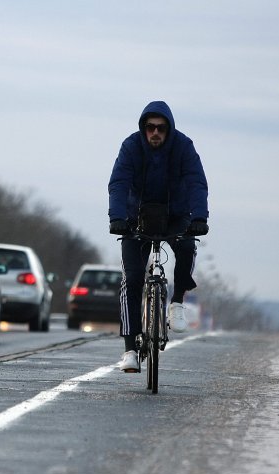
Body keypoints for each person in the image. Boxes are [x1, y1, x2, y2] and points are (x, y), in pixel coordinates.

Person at [108, 101, 209, 372]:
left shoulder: (183, 147)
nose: (155, 133)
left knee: (188, 246)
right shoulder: (131, 146)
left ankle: (176, 303)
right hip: (135, 217)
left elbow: (196, 181)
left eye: (161, 128)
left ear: (169, 129)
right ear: (143, 129)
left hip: (175, 216)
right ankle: (130, 348)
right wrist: (116, 217)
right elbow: (119, 182)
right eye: (150, 128)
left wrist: (200, 217)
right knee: (131, 280)